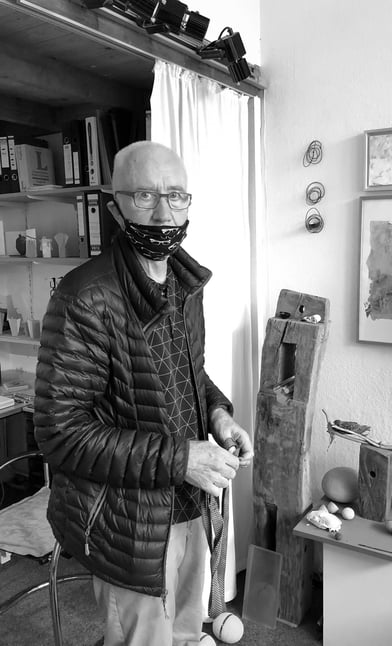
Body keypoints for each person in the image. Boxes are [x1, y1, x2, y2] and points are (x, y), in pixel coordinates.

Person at [34, 140, 254, 646]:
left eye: (176, 195)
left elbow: (189, 373)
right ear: (115, 207)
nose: (163, 213)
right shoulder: (84, 297)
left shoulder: (185, 284)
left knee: (185, 634)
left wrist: (218, 415)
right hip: (126, 523)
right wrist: (181, 458)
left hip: (190, 503)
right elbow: (59, 433)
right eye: (144, 196)